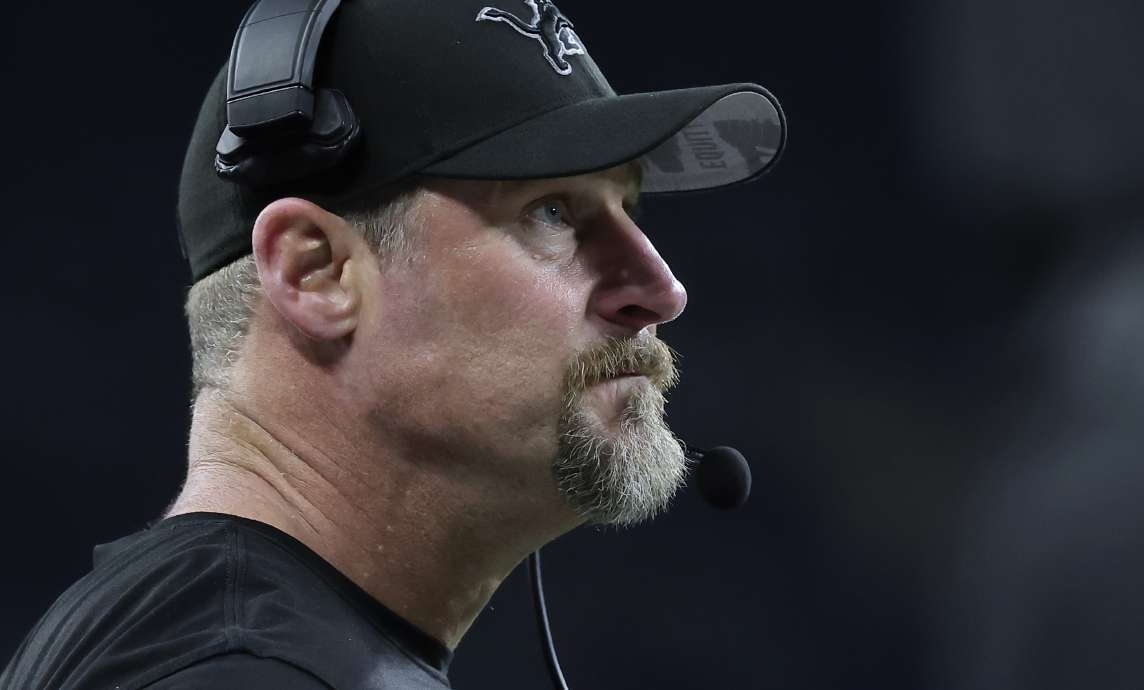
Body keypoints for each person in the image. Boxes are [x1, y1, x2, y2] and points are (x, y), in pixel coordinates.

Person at [0, 0, 785, 687]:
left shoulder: (245, 645)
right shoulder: (241, 670)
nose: (661, 289)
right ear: (317, 273)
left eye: (630, 211)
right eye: (551, 211)